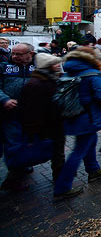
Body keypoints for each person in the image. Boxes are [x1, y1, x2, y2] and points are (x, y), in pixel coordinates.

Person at [53, 47, 101, 200]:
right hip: (88, 116)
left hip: (72, 114)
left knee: (90, 142)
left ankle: (93, 169)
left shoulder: (69, 71)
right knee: (79, 150)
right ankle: (63, 187)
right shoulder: (92, 74)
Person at [19, 53, 66, 183]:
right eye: (55, 63)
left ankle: (61, 178)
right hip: (48, 126)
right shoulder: (37, 84)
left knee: (58, 153)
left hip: (54, 124)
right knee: (57, 154)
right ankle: (61, 184)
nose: (59, 66)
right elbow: (31, 109)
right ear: (48, 66)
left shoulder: (49, 79)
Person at [0, 43, 36, 191]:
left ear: (30, 54)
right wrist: (4, 100)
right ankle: (13, 180)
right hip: (10, 113)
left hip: (30, 113)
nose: (14, 57)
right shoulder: (4, 67)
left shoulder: (38, 66)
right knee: (13, 144)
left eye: (19, 54)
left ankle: (23, 165)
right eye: (13, 53)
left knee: (26, 141)